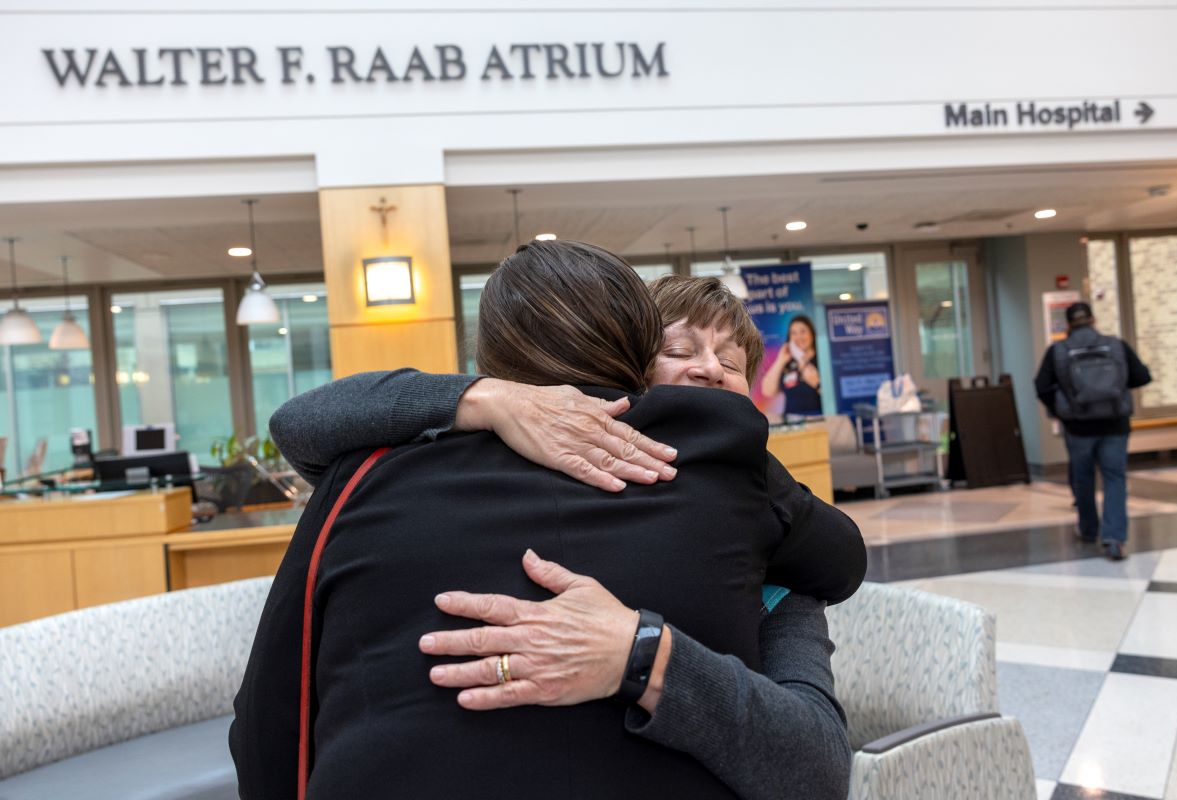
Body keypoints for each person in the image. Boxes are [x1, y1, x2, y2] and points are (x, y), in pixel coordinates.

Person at [232, 244, 863, 800]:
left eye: (731, 361)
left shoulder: (363, 479)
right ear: (637, 364)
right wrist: (488, 397)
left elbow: (267, 720)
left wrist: (637, 654)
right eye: (678, 350)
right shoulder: (728, 476)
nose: (706, 371)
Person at [1035, 301, 1152, 561]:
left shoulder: (1059, 351)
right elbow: (1142, 377)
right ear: (1093, 320)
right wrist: (1116, 386)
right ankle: (1114, 539)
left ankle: (1088, 529)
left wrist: (1061, 407)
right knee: (1115, 478)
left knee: (1083, 477)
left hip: (1077, 427)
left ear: (1067, 324)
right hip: (1115, 424)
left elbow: (1041, 386)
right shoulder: (1115, 345)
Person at [760, 314, 822, 417]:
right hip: (791, 424)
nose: (799, 337)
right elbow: (768, 391)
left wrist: (817, 384)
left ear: (812, 334)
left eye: (803, 331)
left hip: (818, 420)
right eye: (794, 333)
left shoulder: (822, 360)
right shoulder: (788, 363)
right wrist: (780, 360)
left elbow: (833, 397)